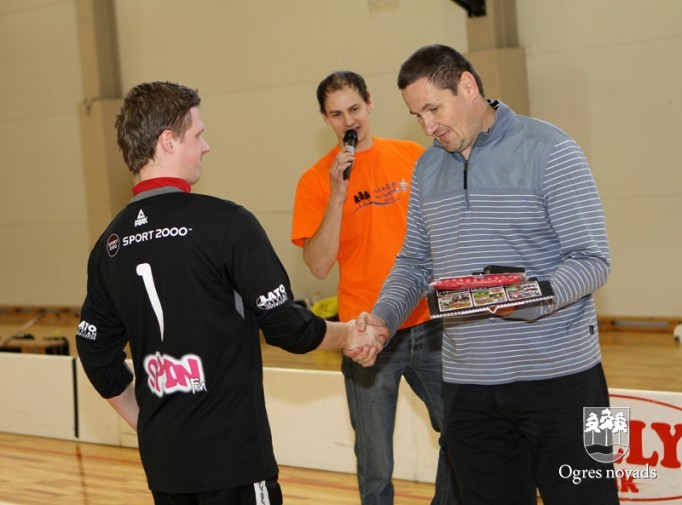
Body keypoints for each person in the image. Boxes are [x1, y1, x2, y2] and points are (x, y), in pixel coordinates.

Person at [75, 81, 387, 505]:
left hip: (165, 468)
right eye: (198, 135)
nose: (206, 146)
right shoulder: (226, 223)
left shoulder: (108, 246)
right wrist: (349, 334)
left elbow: (93, 351)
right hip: (235, 464)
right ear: (168, 142)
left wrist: (146, 424)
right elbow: (287, 327)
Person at [359, 45, 620, 504]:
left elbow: (593, 259)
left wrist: (530, 297)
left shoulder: (552, 149)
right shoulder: (426, 169)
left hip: (567, 381)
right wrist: (382, 319)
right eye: (416, 115)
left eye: (433, 109)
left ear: (467, 86)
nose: (427, 127)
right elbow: (415, 262)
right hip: (468, 388)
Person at [291, 71, 459, 505]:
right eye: (336, 114)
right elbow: (319, 265)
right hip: (366, 332)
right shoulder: (316, 180)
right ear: (324, 119)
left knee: (461, 433)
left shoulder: (412, 156)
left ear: (370, 103)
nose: (349, 121)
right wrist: (337, 194)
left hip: (428, 321)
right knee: (375, 462)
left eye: (354, 109)